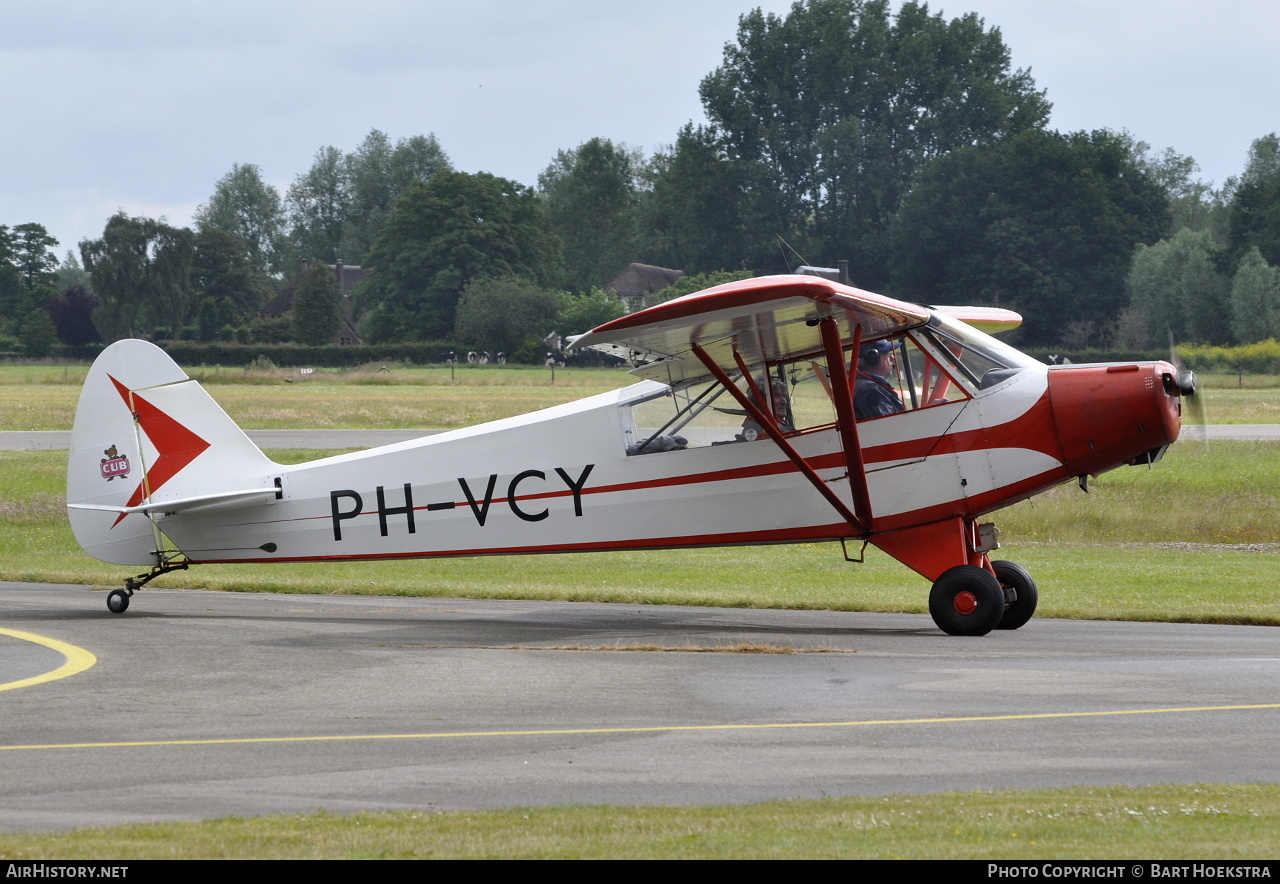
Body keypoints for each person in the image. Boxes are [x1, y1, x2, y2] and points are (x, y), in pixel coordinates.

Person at [854, 339, 904, 420]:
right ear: (873, 358)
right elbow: (890, 425)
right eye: (886, 353)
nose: (892, 357)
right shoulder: (870, 390)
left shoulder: (868, 386)